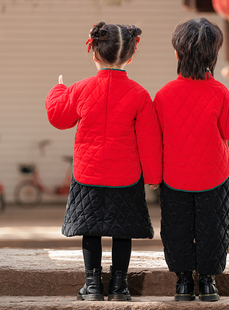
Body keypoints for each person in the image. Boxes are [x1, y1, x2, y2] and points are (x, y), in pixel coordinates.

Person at [154, 18, 229, 302]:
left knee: (177, 229)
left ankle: (182, 283)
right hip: (214, 177)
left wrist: (154, 177)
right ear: (213, 55)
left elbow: (155, 140)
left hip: (175, 177)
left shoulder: (164, 95)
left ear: (178, 54)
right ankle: (207, 283)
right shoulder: (220, 93)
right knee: (214, 229)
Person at [45, 21, 162, 302]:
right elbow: (149, 139)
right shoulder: (140, 94)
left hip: (88, 172)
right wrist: (154, 177)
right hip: (126, 174)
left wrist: (58, 89)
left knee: (91, 230)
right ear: (131, 56)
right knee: (123, 231)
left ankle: (93, 285)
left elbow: (58, 118)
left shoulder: (81, 89)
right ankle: (120, 286)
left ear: (94, 53)